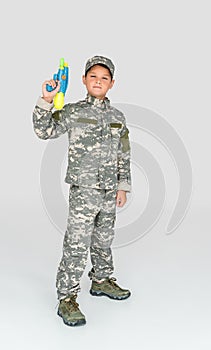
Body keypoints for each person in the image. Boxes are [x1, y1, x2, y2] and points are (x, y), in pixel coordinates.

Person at [32, 55, 132, 327]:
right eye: (93, 77)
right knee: (77, 243)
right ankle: (66, 297)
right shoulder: (73, 112)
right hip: (84, 191)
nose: (98, 81)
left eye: (104, 78)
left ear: (112, 83)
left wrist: (123, 186)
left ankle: (101, 280)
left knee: (103, 238)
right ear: (84, 80)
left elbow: (124, 154)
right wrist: (46, 100)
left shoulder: (117, 117)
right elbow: (44, 130)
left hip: (110, 191)